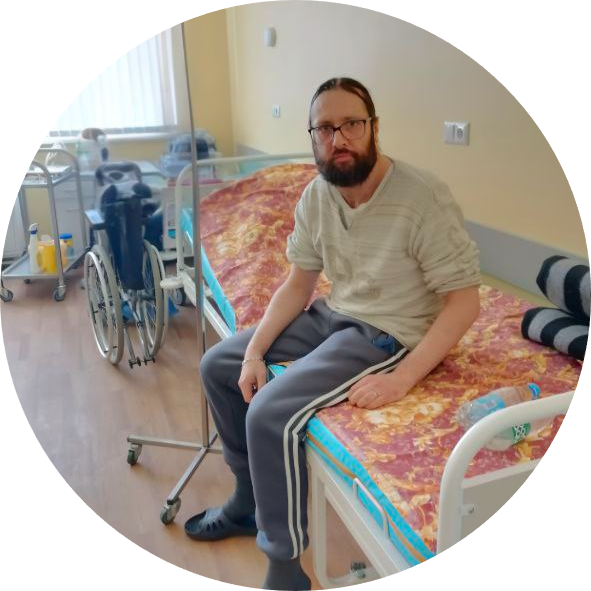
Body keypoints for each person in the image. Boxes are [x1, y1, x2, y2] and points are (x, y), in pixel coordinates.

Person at [184, 77, 481, 590]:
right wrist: (254, 351)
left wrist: (402, 378)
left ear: (374, 128)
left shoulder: (422, 197)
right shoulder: (317, 196)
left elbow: (465, 302)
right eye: (325, 128)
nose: (338, 138)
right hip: (332, 312)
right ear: (312, 137)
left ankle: (284, 568)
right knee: (217, 365)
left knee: (269, 411)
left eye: (351, 124)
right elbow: (297, 286)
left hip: (385, 331)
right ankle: (245, 502)